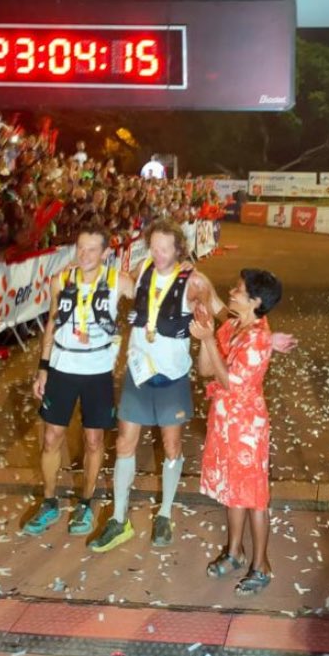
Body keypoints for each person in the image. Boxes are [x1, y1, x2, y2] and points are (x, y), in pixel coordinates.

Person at [88, 218, 222, 552]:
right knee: (124, 444)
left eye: (165, 249)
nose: (159, 254)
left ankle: (164, 513)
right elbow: (122, 288)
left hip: (172, 377)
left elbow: (220, 311)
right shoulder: (141, 269)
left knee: (172, 446)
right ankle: (119, 519)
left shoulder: (195, 281)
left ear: (179, 249)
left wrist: (257, 322)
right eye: (154, 247)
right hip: (138, 371)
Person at [26, 222, 135, 537]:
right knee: (51, 438)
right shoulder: (62, 278)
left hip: (97, 371)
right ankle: (49, 503)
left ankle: (85, 503)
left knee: (93, 440)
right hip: (61, 366)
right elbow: (51, 321)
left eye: (92, 249)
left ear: (105, 252)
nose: (84, 255)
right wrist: (43, 366)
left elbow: (151, 301)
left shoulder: (118, 280)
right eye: (80, 248)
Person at [193, 268, 283, 595]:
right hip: (225, 421)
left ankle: (261, 565)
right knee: (233, 491)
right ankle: (234, 552)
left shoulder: (259, 338)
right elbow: (206, 370)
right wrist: (206, 334)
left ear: (255, 301)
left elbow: (232, 382)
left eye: (238, 289)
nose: (232, 292)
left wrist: (206, 339)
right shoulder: (232, 326)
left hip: (246, 427)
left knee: (254, 498)